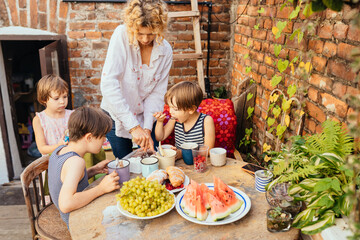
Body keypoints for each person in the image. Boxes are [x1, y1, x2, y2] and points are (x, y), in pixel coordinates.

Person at [100, 0, 173, 159]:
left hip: (146, 115)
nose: (146, 39)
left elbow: (157, 94)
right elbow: (108, 84)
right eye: (140, 33)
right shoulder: (121, 35)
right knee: (126, 163)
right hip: (116, 113)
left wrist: (146, 129)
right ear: (132, 28)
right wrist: (133, 127)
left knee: (152, 160)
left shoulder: (166, 50)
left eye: (151, 33)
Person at [48, 107, 120, 228]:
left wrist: (93, 170)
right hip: (77, 221)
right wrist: (101, 188)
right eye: (102, 136)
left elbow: (66, 179)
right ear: (89, 137)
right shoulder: (76, 162)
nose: (104, 140)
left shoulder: (61, 149)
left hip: (73, 215)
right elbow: (66, 204)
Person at [153, 81, 216, 159]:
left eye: (175, 109)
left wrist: (182, 153)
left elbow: (208, 150)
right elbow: (160, 137)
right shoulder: (174, 119)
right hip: (180, 163)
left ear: (191, 109)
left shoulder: (206, 121)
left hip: (198, 163)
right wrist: (159, 122)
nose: (170, 111)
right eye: (169, 107)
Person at [32, 74, 73, 155]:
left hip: (71, 160)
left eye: (65, 97)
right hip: (51, 163)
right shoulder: (39, 120)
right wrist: (59, 145)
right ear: (44, 99)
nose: (62, 101)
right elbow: (42, 149)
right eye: (56, 98)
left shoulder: (72, 116)